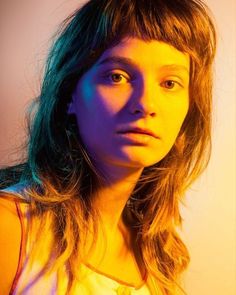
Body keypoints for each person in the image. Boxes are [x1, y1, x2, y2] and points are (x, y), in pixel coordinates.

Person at [0, 0, 216, 294]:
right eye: (118, 77)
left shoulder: (162, 261)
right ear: (70, 94)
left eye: (169, 83)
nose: (146, 104)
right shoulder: (10, 227)